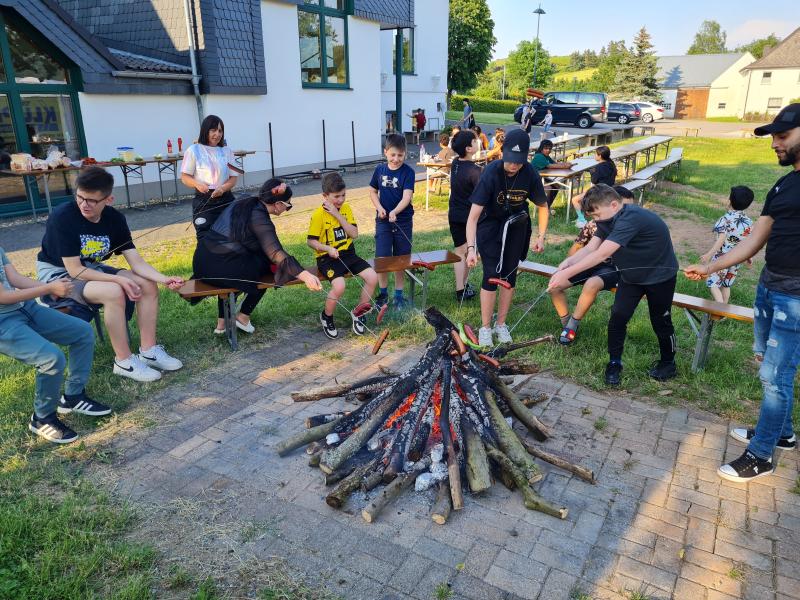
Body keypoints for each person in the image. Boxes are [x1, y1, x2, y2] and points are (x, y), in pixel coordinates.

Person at [685, 104, 800, 482]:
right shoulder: (784, 184)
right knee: (769, 368)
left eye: (782, 137)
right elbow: (752, 240)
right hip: (771, 287)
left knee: (775, 375)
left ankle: (761, 455)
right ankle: (780, 434)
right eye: (773, 138)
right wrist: (710, 266)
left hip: (795, 300)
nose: (774, 144)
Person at [36, 166, 185, 383]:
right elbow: (75, 270)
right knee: (114, 290)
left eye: (92, 200)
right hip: (58, 274)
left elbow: (136, 261)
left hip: (90, 269)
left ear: (109, 199)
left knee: (147, 285)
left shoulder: (114, 219)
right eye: (80, 197)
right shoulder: (63, 217)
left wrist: (163, 279)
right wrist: (118, 278)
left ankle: (149, 350)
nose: (84, 205)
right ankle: (124, 361)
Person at [548, 184, 679, 386]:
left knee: (660, 321)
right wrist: (569, 262)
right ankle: (614, 363)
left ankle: (668, 363)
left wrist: (567, 273)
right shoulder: (606, 219)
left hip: (660, 276)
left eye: (597, 215)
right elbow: (592, 247)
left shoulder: (630, 218)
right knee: (618, 318)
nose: (595, 220)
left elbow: (603, 254)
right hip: (630, 275)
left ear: (615, 204)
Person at [0, 248, 110, 444]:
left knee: (82, 332)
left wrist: (52, 286)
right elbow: (3, 297)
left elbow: (14, 279)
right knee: (51, 359)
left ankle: (73, 397)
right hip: (3, 321)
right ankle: (42, 418)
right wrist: (48, 289)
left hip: (25, 307)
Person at [191, 179, 322, 332]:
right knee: (270, 267)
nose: (288, 209)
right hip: (220, 268)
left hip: (202, 263)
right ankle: (243, 316)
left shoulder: (245, 200)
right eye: (288, 205)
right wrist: (305, 275)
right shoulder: (259, 217)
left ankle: (222, 323)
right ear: (278, 204)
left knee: (253, 261)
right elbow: (275, 252)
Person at [466, 129, 549, 347]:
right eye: (510, 160)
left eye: (519, 162)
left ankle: (500, 324)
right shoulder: (491, 173)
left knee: (509, 277)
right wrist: (471, 248)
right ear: (502, 152)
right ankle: (485, 327)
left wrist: (541, 236)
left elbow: (543, 206)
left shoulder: (530, 173)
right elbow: (473, 217)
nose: (514, 165)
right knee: (492, 274)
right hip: (490, 226)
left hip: (516, 226)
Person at [548, 186, 635, 345]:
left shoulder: (630, 224)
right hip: (591, 263)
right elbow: (588, 248)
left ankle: (573, 325)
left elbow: (603, 254)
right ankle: (566, 323)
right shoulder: (602, 222)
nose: (627, 212)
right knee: (555, 284)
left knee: (592, 283)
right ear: (614, 204)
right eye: (625, 207)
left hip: (614, 268)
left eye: (631, 207)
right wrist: (568, 262)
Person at [308, 172, 378, 339]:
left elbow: (354, 234)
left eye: (343, 195)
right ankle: (327, 316)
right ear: (325, 196)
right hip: (327, 257)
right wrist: (327, 248)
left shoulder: (345, 209)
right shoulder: (318, 215)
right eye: (336, 196)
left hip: (348, 254)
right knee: (339, 286)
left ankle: (359, 313)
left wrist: (337, 214)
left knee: (372, 277)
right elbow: (311, 242)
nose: (340, 200)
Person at [369, 134, 416, 310]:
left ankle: (398, 295)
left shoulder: (408, 172)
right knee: (382, 257)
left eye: (400, 155)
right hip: (383, 221)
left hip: (402, 221)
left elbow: (407, 196)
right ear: (386, 152)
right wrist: (380, 208)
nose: (396, 159)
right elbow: (373, 191)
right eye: (393, 155)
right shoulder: (379, 170)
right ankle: (382, 294)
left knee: (401, 259)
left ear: (405, 154)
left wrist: (395, 211)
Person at [180, 115, 241, 240]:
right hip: (204, 201)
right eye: (213, 130)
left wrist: (223, 189)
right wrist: (197, 184)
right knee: (205, 238)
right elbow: (185, 177)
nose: (217, 134)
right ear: (205, 130)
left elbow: (233, 178)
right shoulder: (194, 150)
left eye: (220, 130)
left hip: (225, 199)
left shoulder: (227, 151)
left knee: (231, 236)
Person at [699, 186, 754, 303]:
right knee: (726, 284)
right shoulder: (748, 222)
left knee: (712, 281)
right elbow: (748, 241)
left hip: (722, 258)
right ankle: (724, 311)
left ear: (729, 201)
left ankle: (719, 306)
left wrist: (709, 254)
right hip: (736, 259)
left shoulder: (725, 219)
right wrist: (749, 257)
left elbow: (721, 239)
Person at [449, 130, 482, 302]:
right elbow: (482, 195)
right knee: (468, 251)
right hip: (469, 217)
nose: (478, 143)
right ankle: (461, 289)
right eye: (475, 141)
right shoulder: (475, 171)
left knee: (460, 252)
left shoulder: (455, 163)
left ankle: (461, 287)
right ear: (469, 148)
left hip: (453, 213)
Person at [571, 146, 617, 227]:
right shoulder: (611, 164)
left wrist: (592, 172)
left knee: (575, 200)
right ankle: (582, 217)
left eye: (596, 154)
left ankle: (582, 220)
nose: (594, 156)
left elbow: (594, 181)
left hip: (599, 190)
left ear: (600, 156)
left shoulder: (599, 167)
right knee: (584, 195)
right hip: (609, 188)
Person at [530, 139, 574, 207]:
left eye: (550, 149)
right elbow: (550, 166)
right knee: (548, 187)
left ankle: (548, 206)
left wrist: (565, 163)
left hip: (542, 177)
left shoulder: (546, 156)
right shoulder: (539, 156)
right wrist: (565, 166)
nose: (548, 150)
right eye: (546, 148)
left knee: (557, 185)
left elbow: (555, 163)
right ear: (541, 148)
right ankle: (544, 208)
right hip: (534, 180)